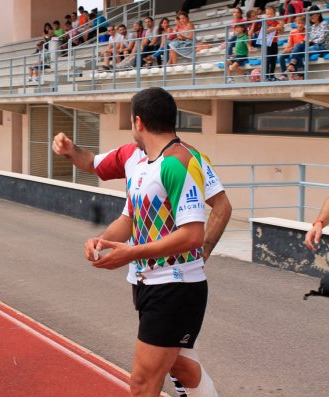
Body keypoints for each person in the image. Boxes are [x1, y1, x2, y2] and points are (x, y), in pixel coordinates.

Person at [52, 95, 232, 397]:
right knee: (183, 368)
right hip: (149, 283)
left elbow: (202, 226)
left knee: (141, 383)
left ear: (138, 122)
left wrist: (202, 251)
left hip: (174, 286)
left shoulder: (183, 161)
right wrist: (105, 241)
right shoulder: (135, 159)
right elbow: (129, 216)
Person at [279, 15, 307, 80]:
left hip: (302, 50)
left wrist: (292, 49)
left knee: (296, 54)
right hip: (294, 50)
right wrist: (286, 49)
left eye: (302, 23)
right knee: (281, 56)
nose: (300, 25)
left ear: (305, 24)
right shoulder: (292, 32)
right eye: (299, 23)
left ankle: (300, 74)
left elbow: (305, 43)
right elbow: (290, 44)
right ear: (295, 23)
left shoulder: (306, 31)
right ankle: (284, 75)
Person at [260, 5, 283, 81]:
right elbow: (266, 31)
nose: (269, 16)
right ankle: (266, 76)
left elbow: (282, 32)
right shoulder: (265, 22)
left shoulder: (277, 22)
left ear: (274, 14)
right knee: (268, 59)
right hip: (267, 43)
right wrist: (276, 28)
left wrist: (281, 27)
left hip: (274, 43)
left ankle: (272, 75)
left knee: (274, 59)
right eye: (267, 14)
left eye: (271, 14)